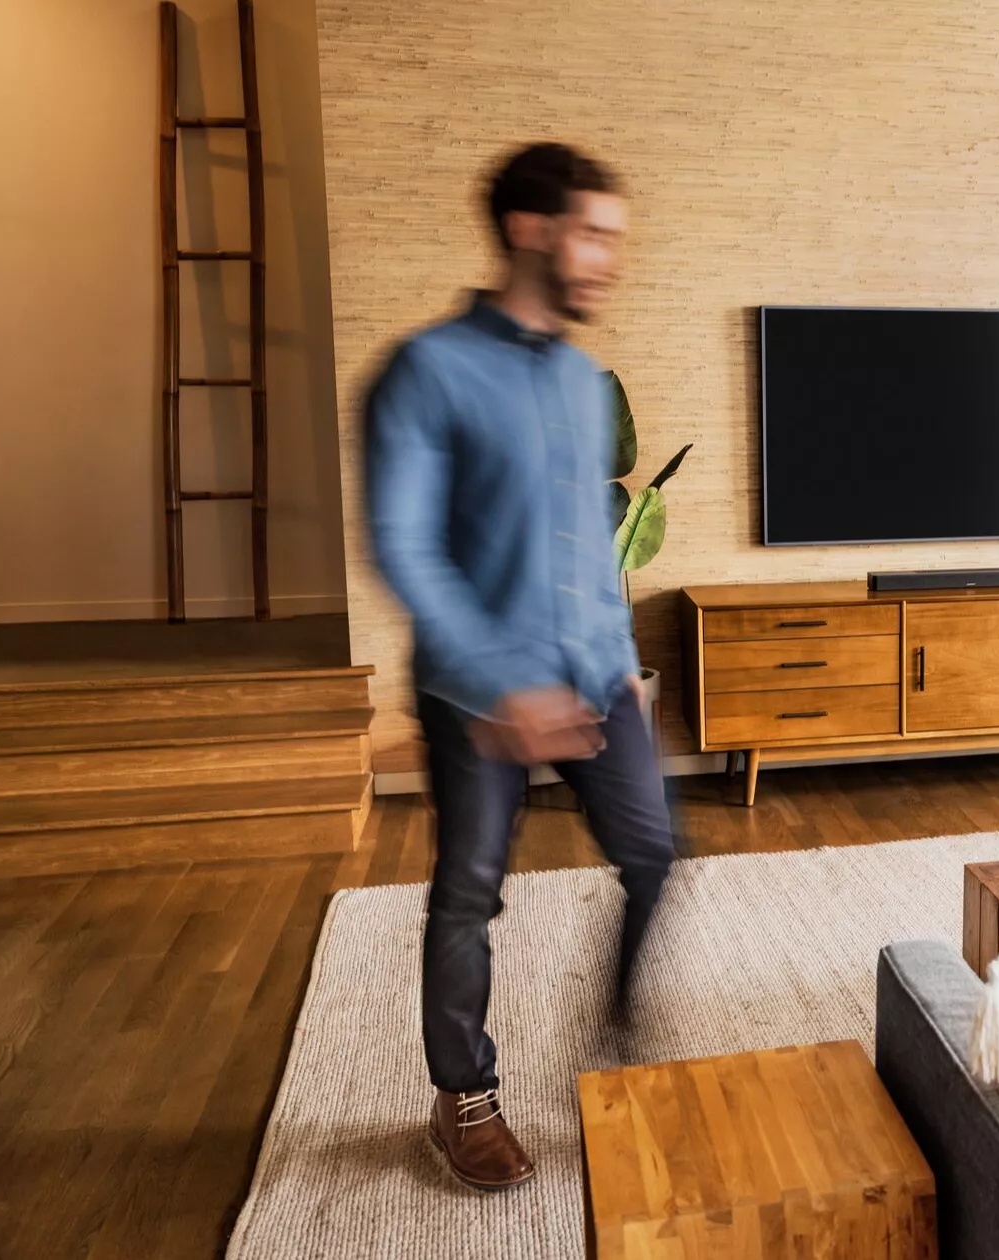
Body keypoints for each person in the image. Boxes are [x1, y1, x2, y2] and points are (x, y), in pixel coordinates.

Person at [363, 142, 674, 1192]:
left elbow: (591, 538)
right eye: (595, 234)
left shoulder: (588, 385)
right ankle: (466, 1094)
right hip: (475, 689)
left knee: (652, 853)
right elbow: (407, 547)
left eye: (617, 240)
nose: (611, 261)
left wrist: (622, 665)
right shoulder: (427, 370)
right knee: (468, 894)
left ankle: (618, 1033)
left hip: (594, 672)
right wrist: (502, 689)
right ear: (529, 231)